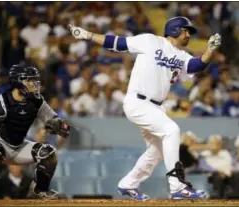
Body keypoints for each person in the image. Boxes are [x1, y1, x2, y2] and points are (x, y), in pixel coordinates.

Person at [68, 16, 221, 200]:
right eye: (186, 30)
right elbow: (117, 42)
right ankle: (178, 186)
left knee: (156, 152)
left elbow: (197, 65)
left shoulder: (181, 55)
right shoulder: (150, 41)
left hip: (155, 107)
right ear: (174, 30)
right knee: (171, 130)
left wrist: (210, 50)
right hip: (138, 102)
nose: (189, 34)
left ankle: (128, 184)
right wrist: (87, 34)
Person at [0, 64, 70, 200]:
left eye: (35, 80)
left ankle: (41, 190)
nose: (34, 84)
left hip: (18, 146)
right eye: (30, 81)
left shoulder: (37, 101)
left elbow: (53, 119)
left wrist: (60, 126)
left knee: (48, 153)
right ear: (18, 82)